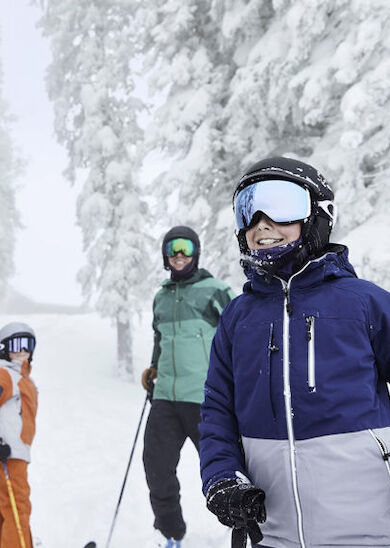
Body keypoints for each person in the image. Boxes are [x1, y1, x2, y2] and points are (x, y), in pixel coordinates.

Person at [199, 156, 390, 548]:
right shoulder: (238, 317)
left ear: (318, 216)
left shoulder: (364, 304)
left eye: (282, 205)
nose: (262, 223)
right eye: (248, 209)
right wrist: (222, 479)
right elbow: (218, 409)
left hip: (370, 528)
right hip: (274, 533)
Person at [142, 225, 235, 548]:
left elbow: (238, 336)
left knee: (226, 467)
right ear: (165, 256)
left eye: (185, 247)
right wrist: (153, 369)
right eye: (172, 249)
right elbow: (160, 339)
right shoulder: (161, 296)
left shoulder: (216, 290)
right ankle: (171, 532)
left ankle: (244, 526)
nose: (179, 255)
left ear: (196, 252)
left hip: (205, 398)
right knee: (156, 466)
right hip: (165, 397)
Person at [0, 321, 38, 548]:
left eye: (28, 344)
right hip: (9, 453)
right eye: (16, 344)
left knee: (7, 506)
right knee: (17, 506)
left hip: (15, 452)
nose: (23, 350)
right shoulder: (6, 374)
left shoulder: (21, 378)